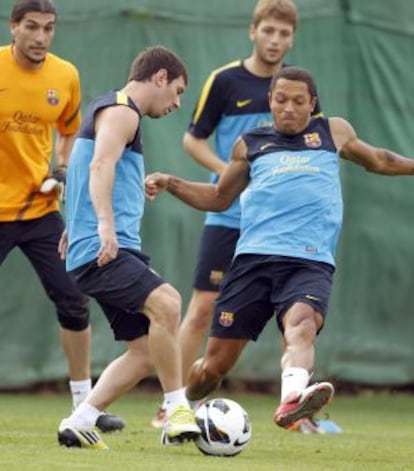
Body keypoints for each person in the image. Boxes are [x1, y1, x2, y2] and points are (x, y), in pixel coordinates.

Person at [145, 65, 414, 429]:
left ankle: (292, 398)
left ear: (312, 104)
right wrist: (172, 182)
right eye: (281, 99)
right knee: (213, 367)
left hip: (309, 262)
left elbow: (380, 160)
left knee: (301, 325)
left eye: (298, 101)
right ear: (270, 100)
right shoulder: (249, 144)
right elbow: (219, 197)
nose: (289, 108)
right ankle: (181, 404)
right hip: (252, 263)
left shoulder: (333, 132)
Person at [151, 0, 322, 430]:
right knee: (203, 308)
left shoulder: (298, 88)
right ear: (253, 31)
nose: (275, 40)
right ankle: (173, 404)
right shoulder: (225, 81)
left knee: (296, 314)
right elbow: (193, 140)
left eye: (284, 34)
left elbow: (315, 146)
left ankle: (295, 404)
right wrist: (230, 176)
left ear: (292, 39)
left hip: (283, 228)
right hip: (229, 216)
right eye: (268, 31)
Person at [57, 45, 201, 450]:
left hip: (99, 248)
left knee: (142, 351)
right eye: (177, 90)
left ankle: (80, 419)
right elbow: (100, 166)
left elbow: (86, 169)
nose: (177, 102)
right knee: (169, 304)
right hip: (105, 251)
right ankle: (177, 409)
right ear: (160, 77)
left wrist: (79, 221)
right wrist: (103, 225)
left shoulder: (112, 110)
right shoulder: (123, 110)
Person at [0, 0, 124, 433]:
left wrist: (62, 165)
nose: (40, 37)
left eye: (48, 28)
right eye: (31, 27)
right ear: (13, 27)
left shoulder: (65, 75)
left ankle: (83, 407)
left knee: (74, 300)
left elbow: (70, 127)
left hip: (40, 210)